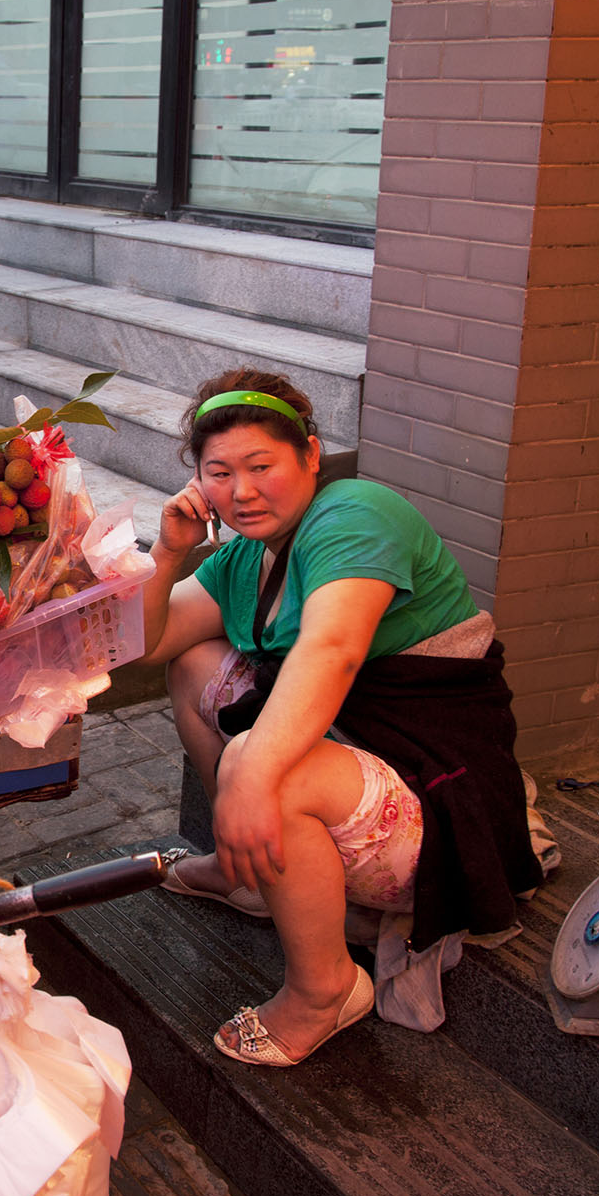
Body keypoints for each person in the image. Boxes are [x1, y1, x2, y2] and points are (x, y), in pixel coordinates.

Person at [137, 368, 541, 1067]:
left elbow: (333, 647)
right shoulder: (242, 557)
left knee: (266, 769)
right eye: (220, 472)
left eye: (262, 465)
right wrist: (170, 552)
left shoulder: (356, 513)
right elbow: (149, 645)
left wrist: (249, 775)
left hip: (439, 790)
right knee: (196, 663)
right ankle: (250, 877)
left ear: (312, 456)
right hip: (357, 754)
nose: (243, 491)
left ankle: (325, 989)